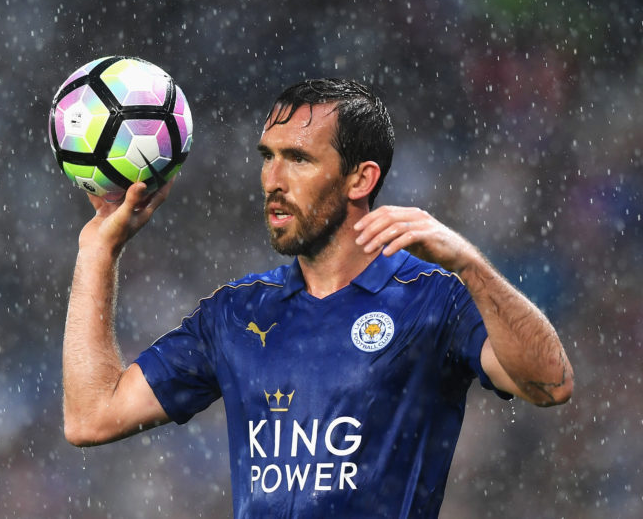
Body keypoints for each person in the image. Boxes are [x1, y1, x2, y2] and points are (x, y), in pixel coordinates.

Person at [61, 78, 573, 517]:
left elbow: (551, 384)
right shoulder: (238, 314)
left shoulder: (432, 300)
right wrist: (97, 250)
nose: (273, 181)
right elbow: (91, 417)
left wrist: (470, 265)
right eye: (268, 157)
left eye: (298, 159)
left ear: (361, 178)